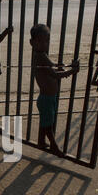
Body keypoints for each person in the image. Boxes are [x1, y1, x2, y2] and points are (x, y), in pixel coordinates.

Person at [30, 24, 79, 157]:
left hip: (48, 97)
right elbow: (54, 74)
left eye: (46, 40)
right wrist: (72, 71)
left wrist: (64, 68)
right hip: (46, 98)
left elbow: (52, 69)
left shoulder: (42, 55)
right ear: (32, 42)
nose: (43, 44)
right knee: (48, 125)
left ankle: (41, 141)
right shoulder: (40, 56)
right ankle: (54, 146)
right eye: (39, 41)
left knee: (45, 122)